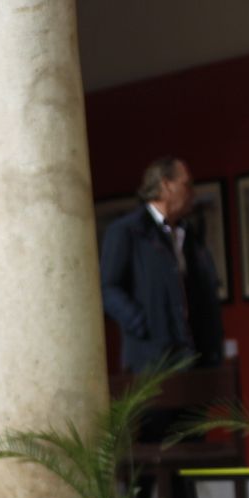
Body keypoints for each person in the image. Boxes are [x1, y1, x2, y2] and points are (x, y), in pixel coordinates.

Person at [99, 156, 224, 374]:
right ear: (166, 185)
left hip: (194, 363)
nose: (192, 192)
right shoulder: (127, 231)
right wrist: (144, 324)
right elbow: (108, 289)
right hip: (150, 365)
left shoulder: (189, 235)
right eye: (186, 184)